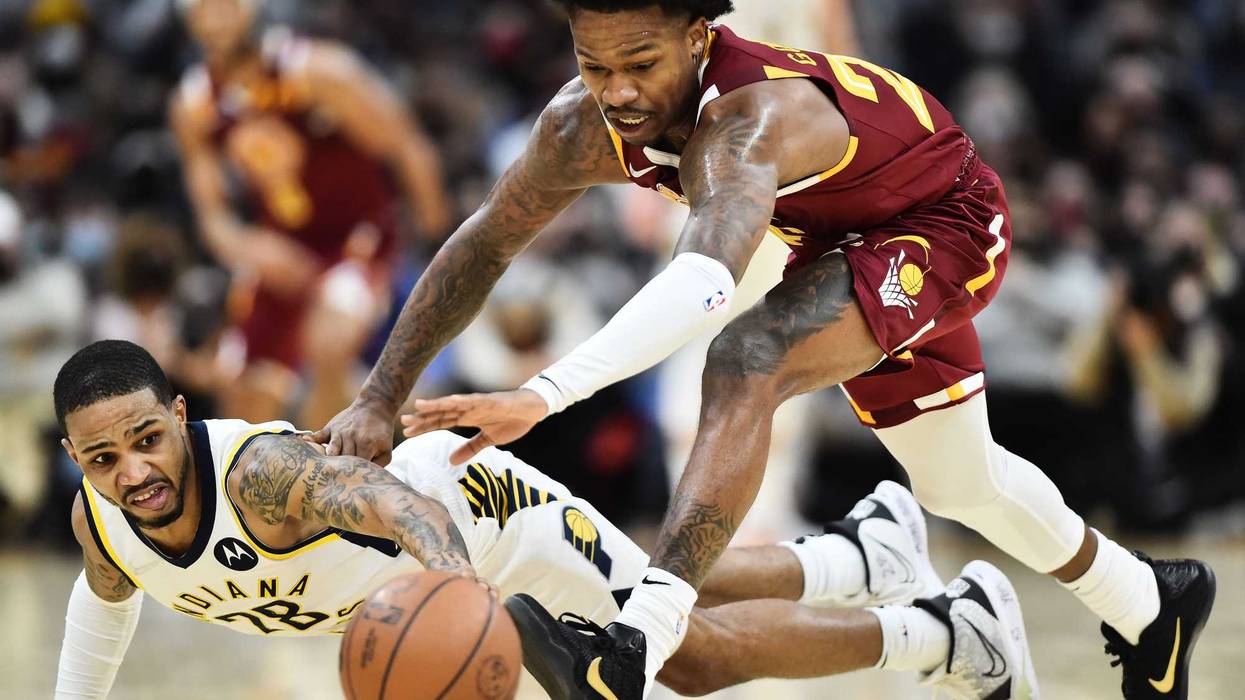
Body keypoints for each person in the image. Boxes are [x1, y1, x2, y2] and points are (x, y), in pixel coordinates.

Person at [313, 2, 1215, 698]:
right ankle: (1150, 600)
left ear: (700, 37)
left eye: (640, 63)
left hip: (941, 220)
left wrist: (543, 394)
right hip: (835, 241)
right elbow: (482, 243)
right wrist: (381, 393)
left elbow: (704, 284)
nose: (618, 90)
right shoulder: (578, 125)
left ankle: (632, 646)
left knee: (747, 354)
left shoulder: (747, 120)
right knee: (958, 482)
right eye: (595, 66)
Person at [53, 340, 1037, 699]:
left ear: (178, 414)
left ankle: (949, 636)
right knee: (663, 586)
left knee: (678, 658)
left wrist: (457, 605)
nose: (133, 470)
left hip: (479, 524)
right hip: (446, 567)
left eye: (147, 437)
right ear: (77, 461)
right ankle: (863, 554)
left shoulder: (264, 476)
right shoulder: (103, 522)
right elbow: (104, 608)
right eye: (104, 457)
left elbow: (404, 509)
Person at [170, 0, 452, 428]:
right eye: (206, 7)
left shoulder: (320, 71)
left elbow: (407, 145)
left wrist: (442, 246)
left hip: (355, 237)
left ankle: (331, 476)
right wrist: (246, 246)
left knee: (329, 342)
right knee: (241, 385)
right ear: (189, 18)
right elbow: (212, 215)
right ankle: (260, 487)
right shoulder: (195, 104)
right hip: (281, 243)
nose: (218, 15)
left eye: (228, 5)